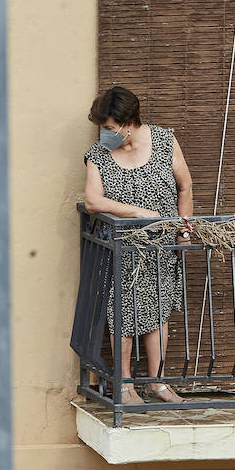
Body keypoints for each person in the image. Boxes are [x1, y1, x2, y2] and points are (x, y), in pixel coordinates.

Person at [83, 86, 194, 405]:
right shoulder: (99, 154)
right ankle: (125, 385)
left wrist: (184, 230)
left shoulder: (163, 141)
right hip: (120, 250)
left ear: (128, 123)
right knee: (123, 313)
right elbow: (93, 200)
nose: (104, 134)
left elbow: (185, 187)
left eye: (108, 128)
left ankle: (158, 384)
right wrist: (138, 212)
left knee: (158, 313)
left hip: (160, 249)